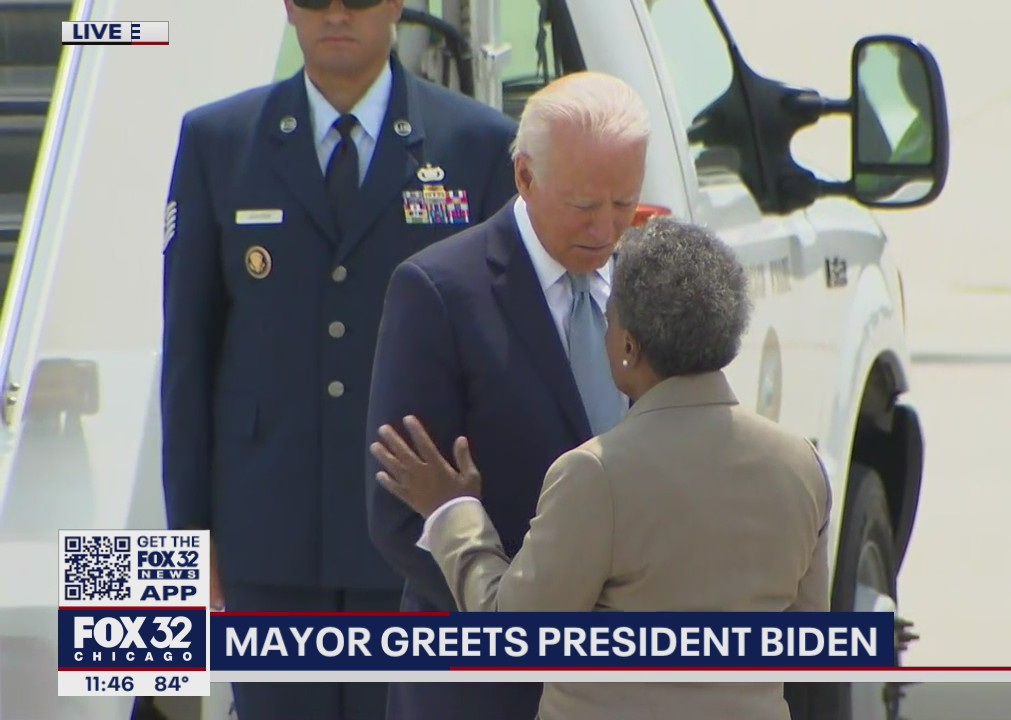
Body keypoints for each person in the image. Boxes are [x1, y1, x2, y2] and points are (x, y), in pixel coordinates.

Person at [159, 0, 517, 717]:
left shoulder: (476, 142)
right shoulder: (219, 140)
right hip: (268, 532)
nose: (336, 15)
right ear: (288, 8)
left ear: (395, 6)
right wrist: (190, 538)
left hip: (419, 534)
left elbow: (502, 356)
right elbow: (189, 356)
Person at [370, 217, 831, 720]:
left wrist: (452, 512)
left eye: (608, 319)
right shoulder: (801, 466)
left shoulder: (595, 474)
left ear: (629, 347)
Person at [364, 70, 647, 720]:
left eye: (623, 204)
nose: (605, 229)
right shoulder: (438, 293)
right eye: (582, 205)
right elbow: (401, 513)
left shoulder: (647, 288)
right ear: (524, 178)